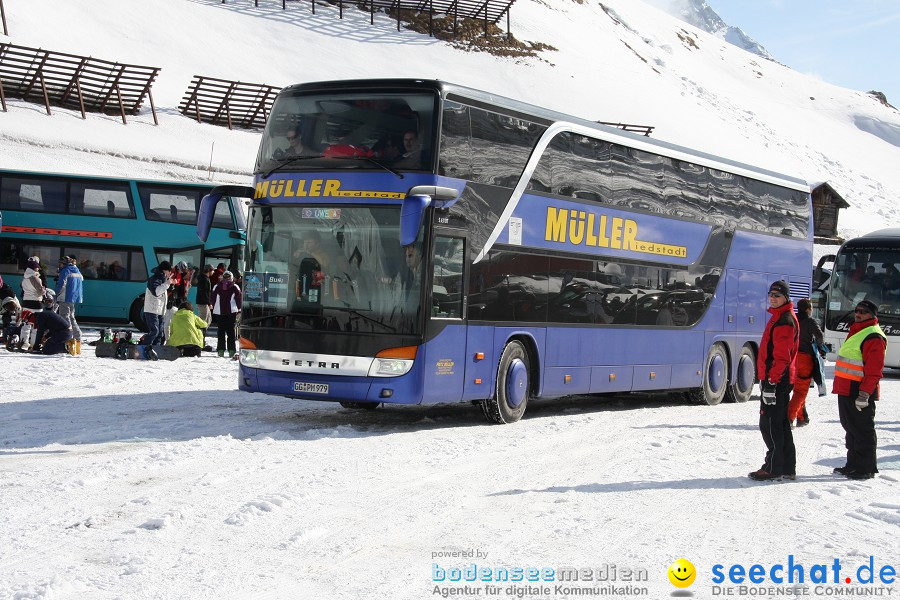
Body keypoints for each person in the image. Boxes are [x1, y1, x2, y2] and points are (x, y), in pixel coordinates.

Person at [749, 280, 799, 482]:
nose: (773, 298)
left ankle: (774, 467)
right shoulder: (778, 317)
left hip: (777, 379)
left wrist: (771, 382)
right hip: (777, 378)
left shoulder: (784, 321)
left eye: (777, 295)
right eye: (771, 294)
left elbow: (781, 357)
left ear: (786, 298)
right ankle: (787, 466)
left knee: (770, 424)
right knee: (779, 423)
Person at [832, 299, 887, 480]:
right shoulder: (857, 330)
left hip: (859, 390)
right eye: (857, 310)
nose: (859, 314)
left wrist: (864, 394)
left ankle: (865, 468)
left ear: (872, 315)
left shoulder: (874, 336)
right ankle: (853, 464)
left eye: (863, 311)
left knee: (862, 430)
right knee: (850, 428)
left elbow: (874, 370)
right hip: (847, 388)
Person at [788, 298, 825, 427]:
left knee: (797, 388)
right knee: (801, 391)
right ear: (808, 309)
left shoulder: (792, 319)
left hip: (792, 357)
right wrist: (821, 347)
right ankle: (789, 418)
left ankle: (802, 417)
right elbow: (819, 336)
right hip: (805, 358)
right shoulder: (810, 321)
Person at [55, 254, 84, 355]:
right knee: (71, 318)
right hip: (74, 298)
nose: (59, 265)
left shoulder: (65, 270)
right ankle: (78, 339)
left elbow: (61, 284)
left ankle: (69, 339)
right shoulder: (77, 270)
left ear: (65, 264)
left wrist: (56, 294)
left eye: (60, 263)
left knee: (65, 318)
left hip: (65, 297)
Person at [211, 270, 242, 358]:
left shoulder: (217, 286)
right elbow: (239, 299)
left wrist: (213, 306)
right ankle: (231, 350)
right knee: (231, 331)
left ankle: (220, 350)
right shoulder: (235, 286)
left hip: (219, 312)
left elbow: (213, 297)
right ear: (232, 278)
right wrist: (239, 309)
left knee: (220, 331)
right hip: (231, 311)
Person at [143, 261, 173, 348]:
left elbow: (163, 293)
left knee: (160, 333)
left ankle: (156, 349)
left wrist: (170, 284)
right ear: (164, 270)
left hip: (160, 309)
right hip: (152, 309)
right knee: (154, 331)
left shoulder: (163, 278)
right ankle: (143, 348)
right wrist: (167, 284)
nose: (170, 273)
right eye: (169, 270)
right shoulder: (155, 278)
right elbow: (156, 292)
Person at [19, 256, 46, 352]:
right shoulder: (35, 278)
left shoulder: (24, 278)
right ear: (34, 268)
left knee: (25, 325)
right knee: (35, 327)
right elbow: (39, 292)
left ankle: (23, 342)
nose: (38, 268)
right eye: (37, 267)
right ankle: (34, 345)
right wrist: (43, 290)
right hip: (36, 304)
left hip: (26, 304)